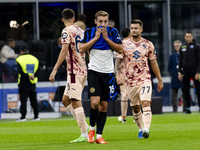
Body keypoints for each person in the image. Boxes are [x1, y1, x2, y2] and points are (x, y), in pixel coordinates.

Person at [79, 10, 123, 144]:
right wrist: (96, 38)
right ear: (95, 21)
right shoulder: (89, 32)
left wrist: (107, 38)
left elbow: (120, 49)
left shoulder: (113, 32)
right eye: (100, 22)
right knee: (95, 102)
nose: (103, 24)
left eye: (105, 22)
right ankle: (91, 129)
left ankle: (99, 135)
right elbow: (81, 49)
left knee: (104, 105)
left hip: (108, 72)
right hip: (94, 71)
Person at [116, 19, 163, 139]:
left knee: (146, 103)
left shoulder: (148, 44)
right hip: (130, 81)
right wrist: (118, 75)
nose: (134, 30)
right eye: (132, 28)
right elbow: (118, 61)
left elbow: (154, 63)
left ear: (141, 29)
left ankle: (146, 129)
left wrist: (159, 79)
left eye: (136, 28)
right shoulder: (123, 44)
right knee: (136, 107)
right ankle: (140, 129)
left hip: (145, 79)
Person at [49, 8, 88, 143]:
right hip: (82, 69)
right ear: (73, 18)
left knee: (76, 102)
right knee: (66, 100)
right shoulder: (81, 31)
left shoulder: (66, 31)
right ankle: (86, 126)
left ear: (62, 19)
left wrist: (54, 70)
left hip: (74, 72)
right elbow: (87, 48)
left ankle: (84, 133)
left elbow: (64, 50)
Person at [16, 45, 40, 122]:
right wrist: (33, 76)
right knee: (34, 100)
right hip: (32, 82)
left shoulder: (19, 59)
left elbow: (20, 71)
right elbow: (38, 71)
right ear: (28, 51)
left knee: (23, 101)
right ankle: (36, 116)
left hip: (23, 82)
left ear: (20, 51)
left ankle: (23, 117)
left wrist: (27, 76)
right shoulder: (35, 59)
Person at [178, 31, 200, 114]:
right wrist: (179, 72)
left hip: (195, 72)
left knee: (198, 90)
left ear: (192, 37)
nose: (188, 38)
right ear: (184, 37)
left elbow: (199, 60)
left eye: (189, 36)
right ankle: (187, 108)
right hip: (185, 72)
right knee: (185, 91)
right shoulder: (182, 47)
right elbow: (180, 61)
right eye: (187, 36)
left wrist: (198, 72)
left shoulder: (197, 47)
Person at [116, 27, 131, 123]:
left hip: (123, 72)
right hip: (134, 72)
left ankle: (124, 117)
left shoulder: (120, 45)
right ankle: (136, 116)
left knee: (124, 95)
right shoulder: (134, 44)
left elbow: (117, 61)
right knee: (135, 95)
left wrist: (116, 74)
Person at [168, 40, 185, 112]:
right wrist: (174, 73)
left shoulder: (184, 55)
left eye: (177, 46)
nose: (176, 47)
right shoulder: (172, 56)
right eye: (175, 46)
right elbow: (169, 67)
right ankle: (174, 109)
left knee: (185, 93)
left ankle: (186, 109)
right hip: (175, 77)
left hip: (183, 77)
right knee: (173, 95)